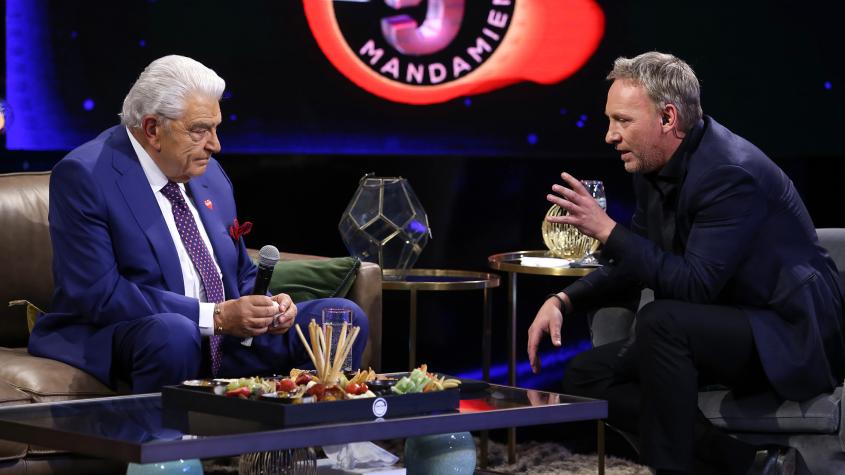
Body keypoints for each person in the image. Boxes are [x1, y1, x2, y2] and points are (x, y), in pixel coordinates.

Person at [526, 51, 845, 475]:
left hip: (788, 332)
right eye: (609, 120)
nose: (609, 135)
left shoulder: (729, 173)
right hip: (725, 322)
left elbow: (695, 285)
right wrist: (564, 299)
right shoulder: (653, 167)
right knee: (585, 376)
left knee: (662, 322)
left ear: (667, 118)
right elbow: (635, 257)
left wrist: (607, 230)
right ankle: (751, 462)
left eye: (622, 121)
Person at [28, 55, 369, 393]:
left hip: (223, 338)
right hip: (136, 336)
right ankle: (167, 432)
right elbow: (99, 295)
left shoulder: (209, 175)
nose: (215, 145)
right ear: (152, 129)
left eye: (216, 128)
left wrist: (268, 307)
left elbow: (239, 275)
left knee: (340, 318)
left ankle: (307, 427)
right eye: (200, 130)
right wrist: (214, 317)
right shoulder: (86, 176)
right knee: (174, 334)